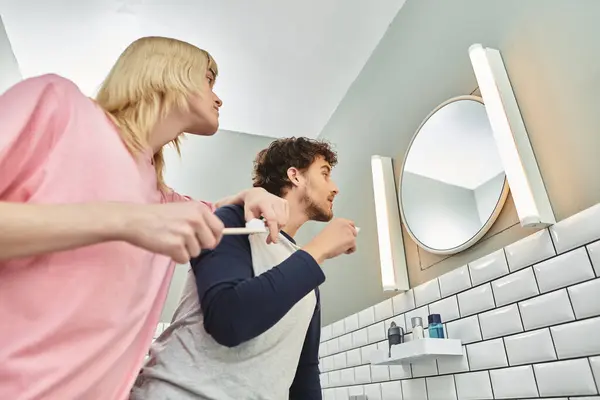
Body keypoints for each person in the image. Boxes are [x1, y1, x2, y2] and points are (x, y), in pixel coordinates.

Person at [0, 36, 289, 400]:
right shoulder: (60, 106)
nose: (218, 98)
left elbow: (215, 212)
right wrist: (124, 220)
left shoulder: (160, 198)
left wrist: (253, 194)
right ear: (168, 72)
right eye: (208, 80)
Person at [131, 137, 358, 400]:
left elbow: (305, 371)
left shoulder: (306, 274)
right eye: (325, 174)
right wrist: (318, 250)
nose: (335, 188)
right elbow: (229, 319)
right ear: (295, 176)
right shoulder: (231, 221)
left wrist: (312, 256)